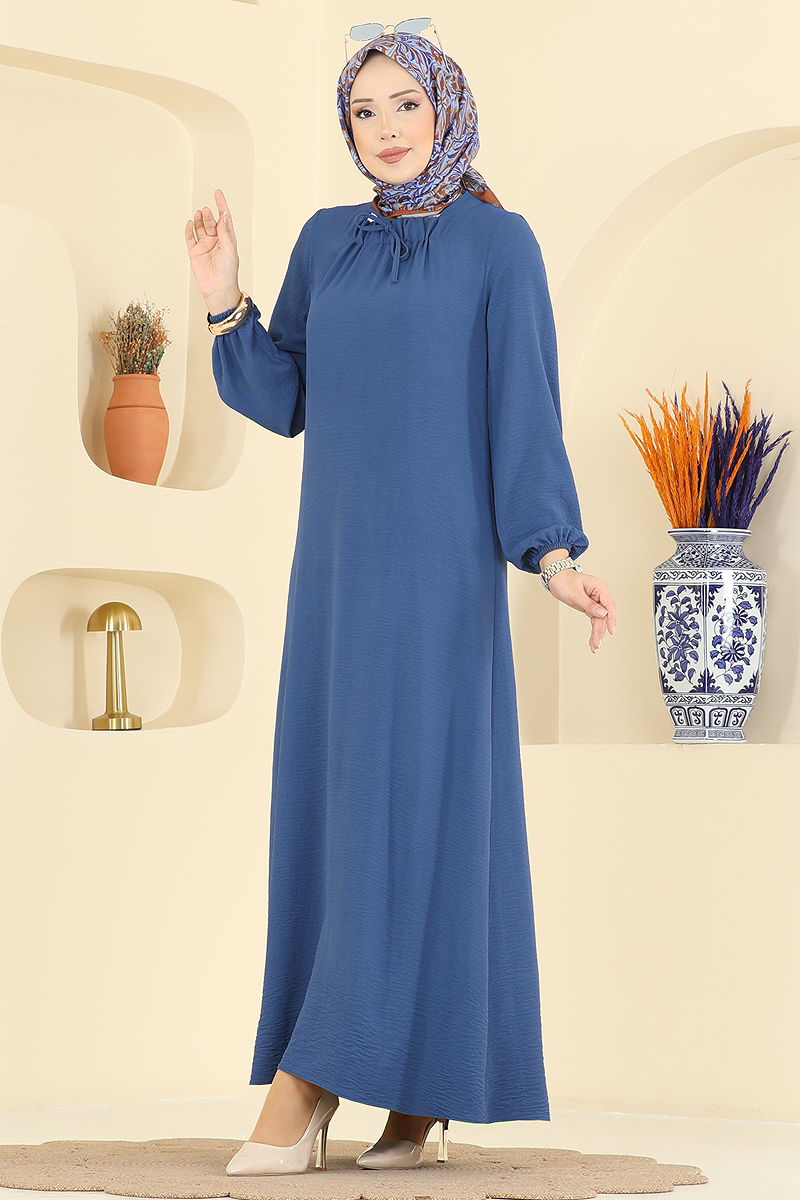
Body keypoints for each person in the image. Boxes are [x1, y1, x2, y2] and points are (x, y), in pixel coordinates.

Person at [185, 30, 616, 1179]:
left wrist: (552, 556)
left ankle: (311, 1082)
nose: (383, 128)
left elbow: (523, 406)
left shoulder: (497, 244)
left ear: (446, 110)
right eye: (363, 111)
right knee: (340, 813)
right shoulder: (325, 241)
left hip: (437, 583)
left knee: (414, 808)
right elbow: (283, 395)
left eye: (404, 104)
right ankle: (412, 1102)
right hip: (333, 578)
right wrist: (223, 300)